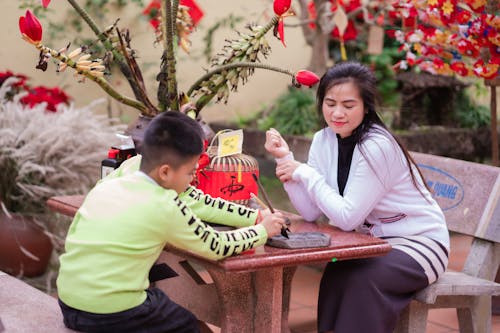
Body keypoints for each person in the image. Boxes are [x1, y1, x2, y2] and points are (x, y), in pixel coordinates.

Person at [57, 111, 286, 333]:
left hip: (69, 303)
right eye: (189, 174)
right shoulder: (165, 204)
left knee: (158, 298)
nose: (192, 180)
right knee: (187, 323)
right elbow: (215, 246)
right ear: (165, 172)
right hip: (111, 312)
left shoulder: (108, 184)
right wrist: (262, 231)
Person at [264, 61, 449, 333]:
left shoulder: (378, 146)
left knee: (363, 279)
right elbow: (311, 212)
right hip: (371, 244)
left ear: (366, 106)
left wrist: (306, 174)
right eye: (330, 103)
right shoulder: (323, 140)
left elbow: (347, 218)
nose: (337, 113)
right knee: (337, 273)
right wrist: (287, 162)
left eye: (348, 106)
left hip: (419, 243)